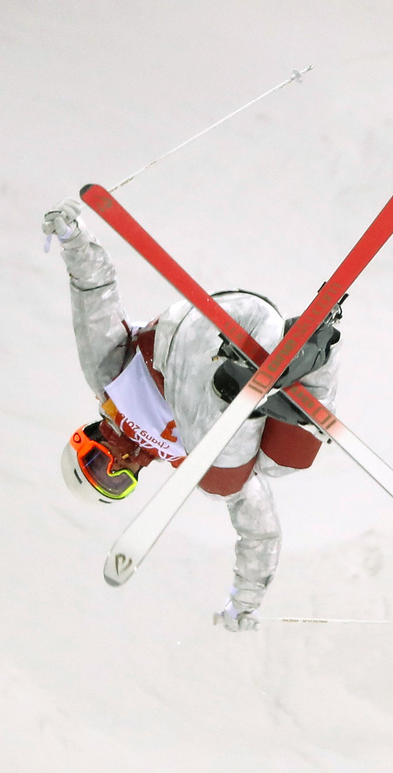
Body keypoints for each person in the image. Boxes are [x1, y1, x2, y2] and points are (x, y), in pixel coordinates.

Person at [44, 198, 341, 632]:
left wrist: (74, 238)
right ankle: (317, 348)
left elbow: (94, 293)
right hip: (264, 333)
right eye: (117, 482)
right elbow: (260, 531)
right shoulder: (180, 458)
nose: (118, 466)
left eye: (98, 462)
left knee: (217, 483)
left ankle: (236, 387)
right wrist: (244, 602)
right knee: (281, 465)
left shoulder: (107, 379)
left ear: (87, 436)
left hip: (199, 334)